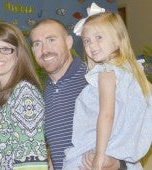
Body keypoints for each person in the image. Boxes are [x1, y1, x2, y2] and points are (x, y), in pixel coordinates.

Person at [30, 18, 126, 170]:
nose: (45, 50)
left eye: (51, 40)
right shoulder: (43, 93)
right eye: (37, 44)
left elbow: (134, 125)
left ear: (68, 42)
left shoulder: (97, 77)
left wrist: (117, 164)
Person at [62, 7, 152, 170]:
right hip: (122, 156)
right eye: (87, 40)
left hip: (92, 154)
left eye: (99, 37)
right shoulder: (133, 72)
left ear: (118, 39)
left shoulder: (106, 73)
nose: (92, 45)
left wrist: (99, 156)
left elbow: (107, 115)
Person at [0, 22, 48, 169]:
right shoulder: (3, 97)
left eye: (6, 49)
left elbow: (33, 163)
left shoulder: (24, 93)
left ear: (19, 53)